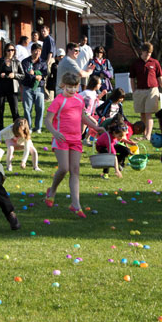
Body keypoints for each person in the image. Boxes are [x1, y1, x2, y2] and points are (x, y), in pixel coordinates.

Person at [44, 72, 105, 218]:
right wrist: (55, 133)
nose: (72, 90)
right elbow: (47, 120)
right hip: (61, 138)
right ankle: (52, 190)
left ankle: (75, 204)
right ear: (63, 85)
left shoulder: (79, 99)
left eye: (75, 87)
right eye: (69, 87)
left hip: (76, 138)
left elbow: (83, 116)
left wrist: (95, 127)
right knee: (64, 168)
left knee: (75, 170)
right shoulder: (59, 100)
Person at [129, 42, 162, 140]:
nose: (148, 55)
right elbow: (132, 78)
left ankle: (148, 135)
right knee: (142, 113)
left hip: (152, 90)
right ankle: (144, 134)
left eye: (150, 54)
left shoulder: (155, 62)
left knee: (149, 113)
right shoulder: (135, 63)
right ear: (142, 52)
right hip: (140, 91)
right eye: (146, 53)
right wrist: (134, 90)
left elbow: (160, 78)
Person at [0, 43, 24, 132]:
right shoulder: (0, 61)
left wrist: (15, 75)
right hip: (0, 88)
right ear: (5, 51)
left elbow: (23, 75)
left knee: (15, 110)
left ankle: (17, 130)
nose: (10, 52)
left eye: (12, 50)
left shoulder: (17, 62)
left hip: (12, 89)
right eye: (9, 50)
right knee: (0, 110)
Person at [21, 43, 48, 133]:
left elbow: (44, 73)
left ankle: (38, 127)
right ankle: (29, 127)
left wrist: (36, 74)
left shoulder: (42, 62)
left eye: (39, 51)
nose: (37, 53)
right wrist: (35, 76)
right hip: (27, 87)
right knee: (27, 109)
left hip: (39, 88)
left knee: (40, 108)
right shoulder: (25, 62)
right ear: (32, 51)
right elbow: (25, 74)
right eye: (36, 50)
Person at [81, 75, 102, 146]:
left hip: (89, 114)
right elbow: (78, 98)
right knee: (94, 124)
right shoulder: (86, 92)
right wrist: (82, 106)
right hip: (84, 113)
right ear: (94, 84)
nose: (100, 85)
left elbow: (95, 100)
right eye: (99, 84)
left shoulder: (94, 92)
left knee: (82, 130)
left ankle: (83, 140)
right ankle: (85, 140)